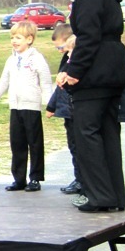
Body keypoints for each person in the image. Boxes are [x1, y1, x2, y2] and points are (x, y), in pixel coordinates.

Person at [56, 0, 125, 212]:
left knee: (86, 132)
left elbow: (88, 35)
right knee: (108, 131)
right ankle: (114, 196)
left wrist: (74, 71)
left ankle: (99, 196)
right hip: (114, 65)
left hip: (96, 70)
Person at [0, 21, 52, 192]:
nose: (14, 41)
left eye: (18, 38)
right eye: (12, 37)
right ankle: (19, 178)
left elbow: (45, 83)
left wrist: (50, 105)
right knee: (17, 144)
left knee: (34, 143)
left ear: (29, 39)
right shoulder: (11, 60)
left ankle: (35, 178)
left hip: (31, 107)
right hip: (15, 107)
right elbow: (3, 83)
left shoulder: (37, 59)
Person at [45, 26, 82, 196]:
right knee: (73, 146)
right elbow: (60, 87)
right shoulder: (66, 60)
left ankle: (82, 179)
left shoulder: (75, 61)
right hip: (67, 111)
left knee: (78, 147)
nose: (61, 51)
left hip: (75, 110)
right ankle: (78, 177)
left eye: (61, 47)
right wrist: (51, 106)